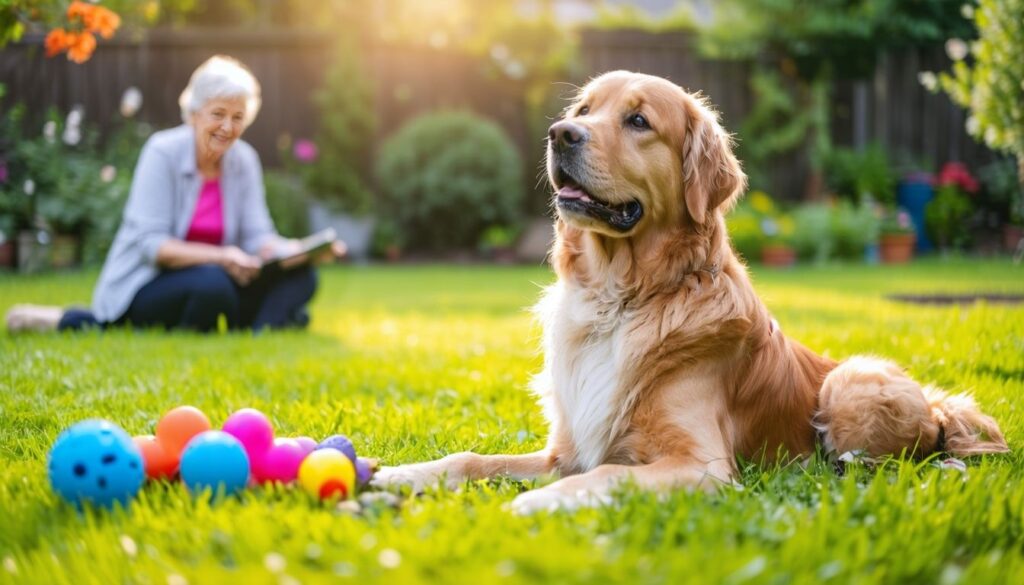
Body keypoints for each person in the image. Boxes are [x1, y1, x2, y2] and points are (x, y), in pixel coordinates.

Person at [5, 55, 343, 333]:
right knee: (214, 286)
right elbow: (154, 246)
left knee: (303, 276)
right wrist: (223, 257)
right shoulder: (162, 152)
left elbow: (259, 237)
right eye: (218, 114)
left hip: (218, 279)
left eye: (238, 117)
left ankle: (259, 329)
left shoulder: (245, 161)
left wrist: (299, 251)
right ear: (194, 115)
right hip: (152, 281)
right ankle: (67, 320)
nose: (228, 127)